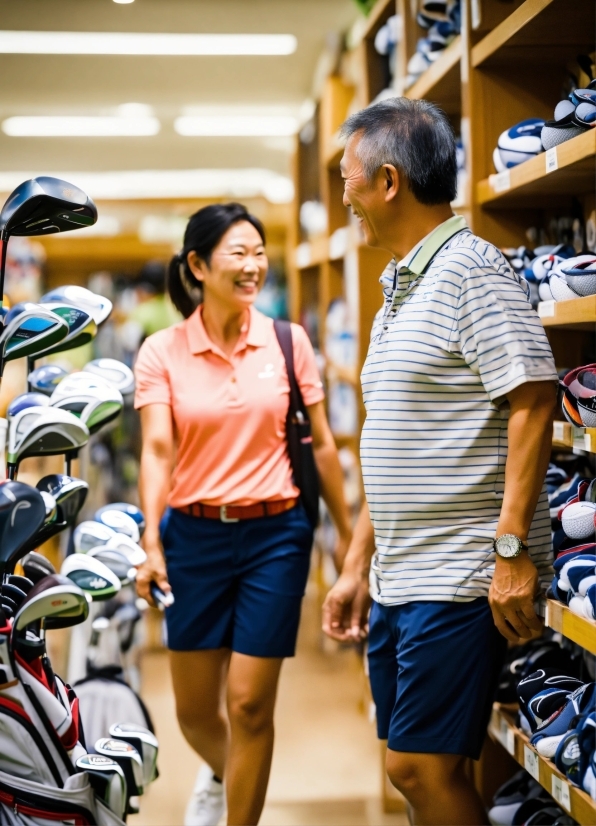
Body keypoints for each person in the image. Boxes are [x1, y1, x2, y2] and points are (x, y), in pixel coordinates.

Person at [322, 98, 558, 826]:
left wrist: (511, 549)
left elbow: (535, 399)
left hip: (456, 574)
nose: (343, 195)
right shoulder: (400, 288)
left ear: (388, 180)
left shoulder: (470, 271)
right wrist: (359, 563)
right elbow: (393, 445)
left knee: (419, 768)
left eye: (347, 177)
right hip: (402, 570)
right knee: (418, 764)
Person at [134, 203, 352, 826]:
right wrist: (151, 539)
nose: (253, 265)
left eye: (260, 252)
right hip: (193, 536)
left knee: (251, 703)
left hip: (276, 535)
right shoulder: (162, 352)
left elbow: (324, 446)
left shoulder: (288, 342)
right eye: (239, 253)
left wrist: (344, 538)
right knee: (196, 712)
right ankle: (227, 775)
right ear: (198, 265)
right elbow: (156, 449)